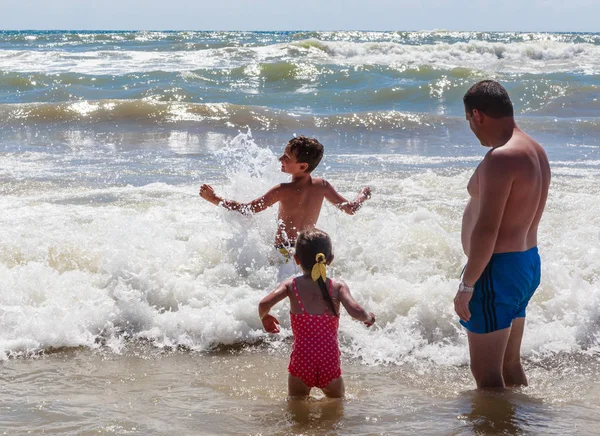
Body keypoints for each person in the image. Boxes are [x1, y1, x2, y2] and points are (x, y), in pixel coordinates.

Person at [454, 80, 551, 389]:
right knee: (509, 365)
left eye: (469, 120)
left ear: (477, 115)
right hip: (525, 264)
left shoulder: (501, 158)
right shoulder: (535, 149)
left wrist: (467, 284)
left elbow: (487, 229)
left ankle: (498, 429)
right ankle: (521, 424)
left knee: (487, 377)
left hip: (496, 269)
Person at [199, 136, 371, 277]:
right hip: (310, 253)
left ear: (303, 166)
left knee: (286, 286)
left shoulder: (282, 190)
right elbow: (351, 209)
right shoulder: (323, 186)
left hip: (285, 251)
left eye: (286, 157)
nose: (280, 159)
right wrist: (362, 195)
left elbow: (248, 209)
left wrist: (214, 199)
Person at [258, 228, 375, 398]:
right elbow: (356, 311)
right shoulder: (337, 286)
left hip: (302, 362)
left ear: (296, 259)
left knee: (296, 408)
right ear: (330, 259)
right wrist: (368, 317)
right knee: (336, 407)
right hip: (329, 361)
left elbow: (264, 304)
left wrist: (265, 317)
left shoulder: (291, 285)